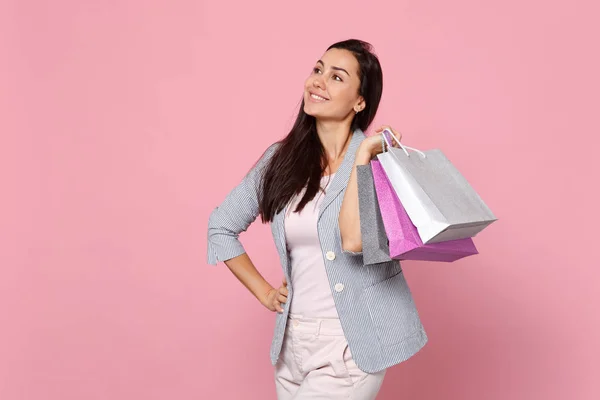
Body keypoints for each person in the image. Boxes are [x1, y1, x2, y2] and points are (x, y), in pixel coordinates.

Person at [207, 39, 427, 400]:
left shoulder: (379, 162)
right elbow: (221, 227)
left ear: (360, 101)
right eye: (317, 70)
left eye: (337, 77)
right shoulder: (280, 159)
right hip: (291, 344)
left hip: (349, 344)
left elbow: (355, 242)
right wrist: (264, 292)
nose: (318, 81)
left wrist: (361, 157)